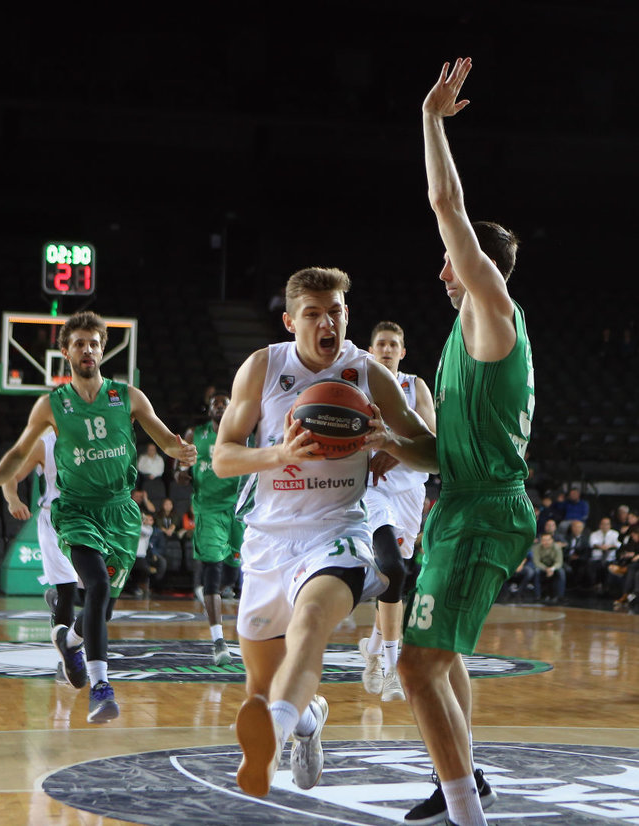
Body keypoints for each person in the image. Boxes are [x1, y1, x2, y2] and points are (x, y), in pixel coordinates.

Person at [212, 265, 437, 798]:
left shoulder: (367, 373)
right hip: (269, 538)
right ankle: (306, 721)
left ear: (346, 316)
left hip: (338, 530)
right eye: (313, 313)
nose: (325, 322)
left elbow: (430, 451)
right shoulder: (263, 367)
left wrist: (390, 443)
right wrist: (279, 453)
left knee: (311, 621)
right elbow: (222, 458)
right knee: (261, 687)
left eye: (334, 311)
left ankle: (276, 736)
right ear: (292, 321)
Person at [397, 58, 536, 826]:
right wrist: (393, 436)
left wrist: (430, 120)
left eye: (452, 254)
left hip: (484, 509)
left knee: (415, 664)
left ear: (475, 265)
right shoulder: (459, 338)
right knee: (438, 657)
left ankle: (465, 816)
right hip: (465, 499)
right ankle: (467, 782)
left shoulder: (491, 312)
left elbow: (445, 201)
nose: (440, 264)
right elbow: (442, 452)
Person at [0, 311, 197, 724]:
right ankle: (102, 687)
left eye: (94, 343)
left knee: (103, 606)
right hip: (75, 511)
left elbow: (164, 440)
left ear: (103, 348)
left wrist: (181, 451)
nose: (88, 350)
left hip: (121, 513)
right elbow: (19, 454)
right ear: (65, 351)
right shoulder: (50, 404)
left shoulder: (128, 396)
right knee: (94, 585)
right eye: (79, 343)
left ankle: (70, 642)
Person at [358, 320, 436, 703]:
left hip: (409, 492)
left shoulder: (414, 385)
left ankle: (372, 651)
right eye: (381, 344)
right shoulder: (359, 383)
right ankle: (391, 670)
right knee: (392, 568)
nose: (387, 349)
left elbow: (432, 435)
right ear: (370, 351)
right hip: (373, 490)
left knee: (395, 581)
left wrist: (395, 446)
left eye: (393, 344)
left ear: (402, 352)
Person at [2, 428, 79, 684]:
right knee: (69, 590)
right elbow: (11, 475)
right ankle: (65, 661)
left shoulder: (94, 432)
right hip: (54, 518)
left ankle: (58, 601)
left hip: (89, 518)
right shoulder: (44, 443)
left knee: (92, 592)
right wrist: (13, 499)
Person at [175, 390, 244, 666]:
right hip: (208, 510)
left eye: (224, 404)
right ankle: (219, 641)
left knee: (231, 573)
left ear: (231, 409)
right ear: (210, 409)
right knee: (213, 573)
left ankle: (213, 595)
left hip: (236, 511)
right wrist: (181, 473)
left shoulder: (241, 434)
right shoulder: (196, 434)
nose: (219, 407)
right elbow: (179, 472)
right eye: (215, 404)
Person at [130, 511, 167, 597]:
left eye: (149, 519)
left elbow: (142, 530)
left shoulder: (149, 529)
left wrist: (138, 520)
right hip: (132, 554)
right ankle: (133, 587)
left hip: (141, 555)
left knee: (142, 570)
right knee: (134, 572)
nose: (147, 520)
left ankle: (138, 587)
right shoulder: (136, 526)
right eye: (146, 519)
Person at [532, 532, 566, 604]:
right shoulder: (536, 548)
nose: (546, 542)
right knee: (536, 571)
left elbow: (559, 562)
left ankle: (560, 596)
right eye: (544, 540)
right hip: (542, 566)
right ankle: (537, 596)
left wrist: (551, 569)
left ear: (552, 540)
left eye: (548, 540)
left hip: (554, 566)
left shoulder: (557, 547)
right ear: (541, 541)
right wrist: (546, 569)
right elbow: (536, 562)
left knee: (561, 572)